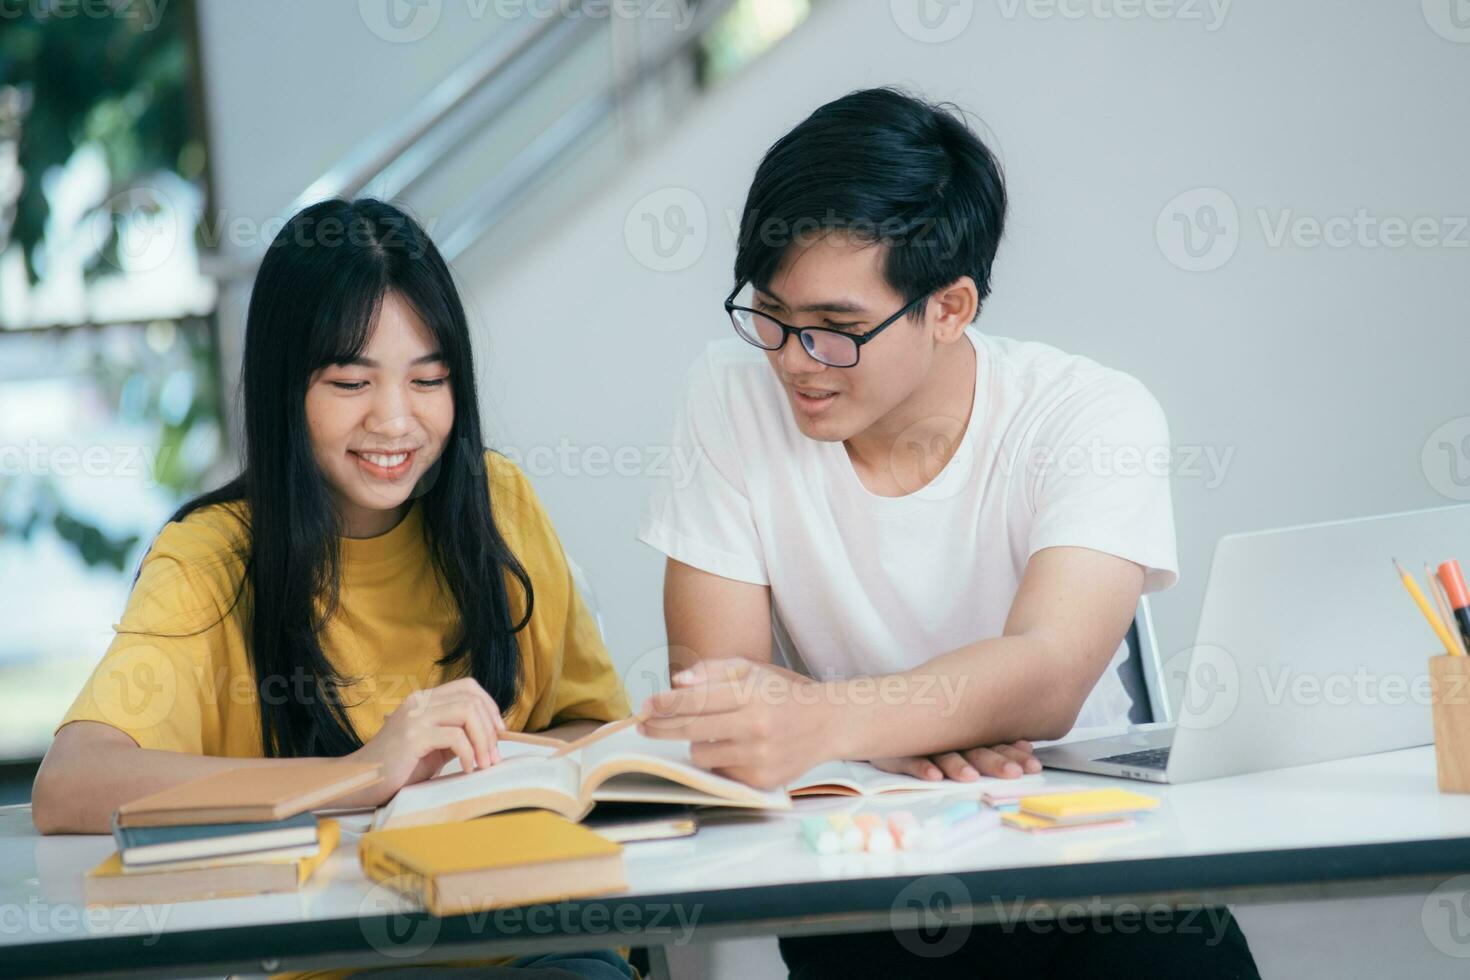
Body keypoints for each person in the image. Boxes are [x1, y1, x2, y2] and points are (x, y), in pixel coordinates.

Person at [634, 88, 1260, 978]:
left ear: (951, 307)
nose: (790, 359)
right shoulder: (728, 395)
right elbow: (721, 698)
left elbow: (1045, 676)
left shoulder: (1092, 414)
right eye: (770, 315)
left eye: (837, 330)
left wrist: (825, 719)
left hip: (1087, 856)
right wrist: (930, 712)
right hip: (861, 865)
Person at [32, 199, 636, 980]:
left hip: (533, 935)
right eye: (352, 381)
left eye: (430, 379)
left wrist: (482, 764)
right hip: (341, 955)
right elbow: (70, 785)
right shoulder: (212, 558)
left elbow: (595, 734)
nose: (395, 420)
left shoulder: (499, 503)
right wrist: (367, 773)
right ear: (289, 389)